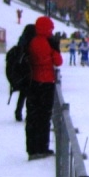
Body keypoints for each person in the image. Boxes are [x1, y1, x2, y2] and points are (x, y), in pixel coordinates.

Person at [25, 15, 62, 161]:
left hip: (32, 82)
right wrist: (54, 50)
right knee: (44, 117)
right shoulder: (46, 43)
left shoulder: (32, 41)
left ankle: (32, 148)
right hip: (45, 82)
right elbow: (58, 61)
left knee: (33, 117)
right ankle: (41, 147)